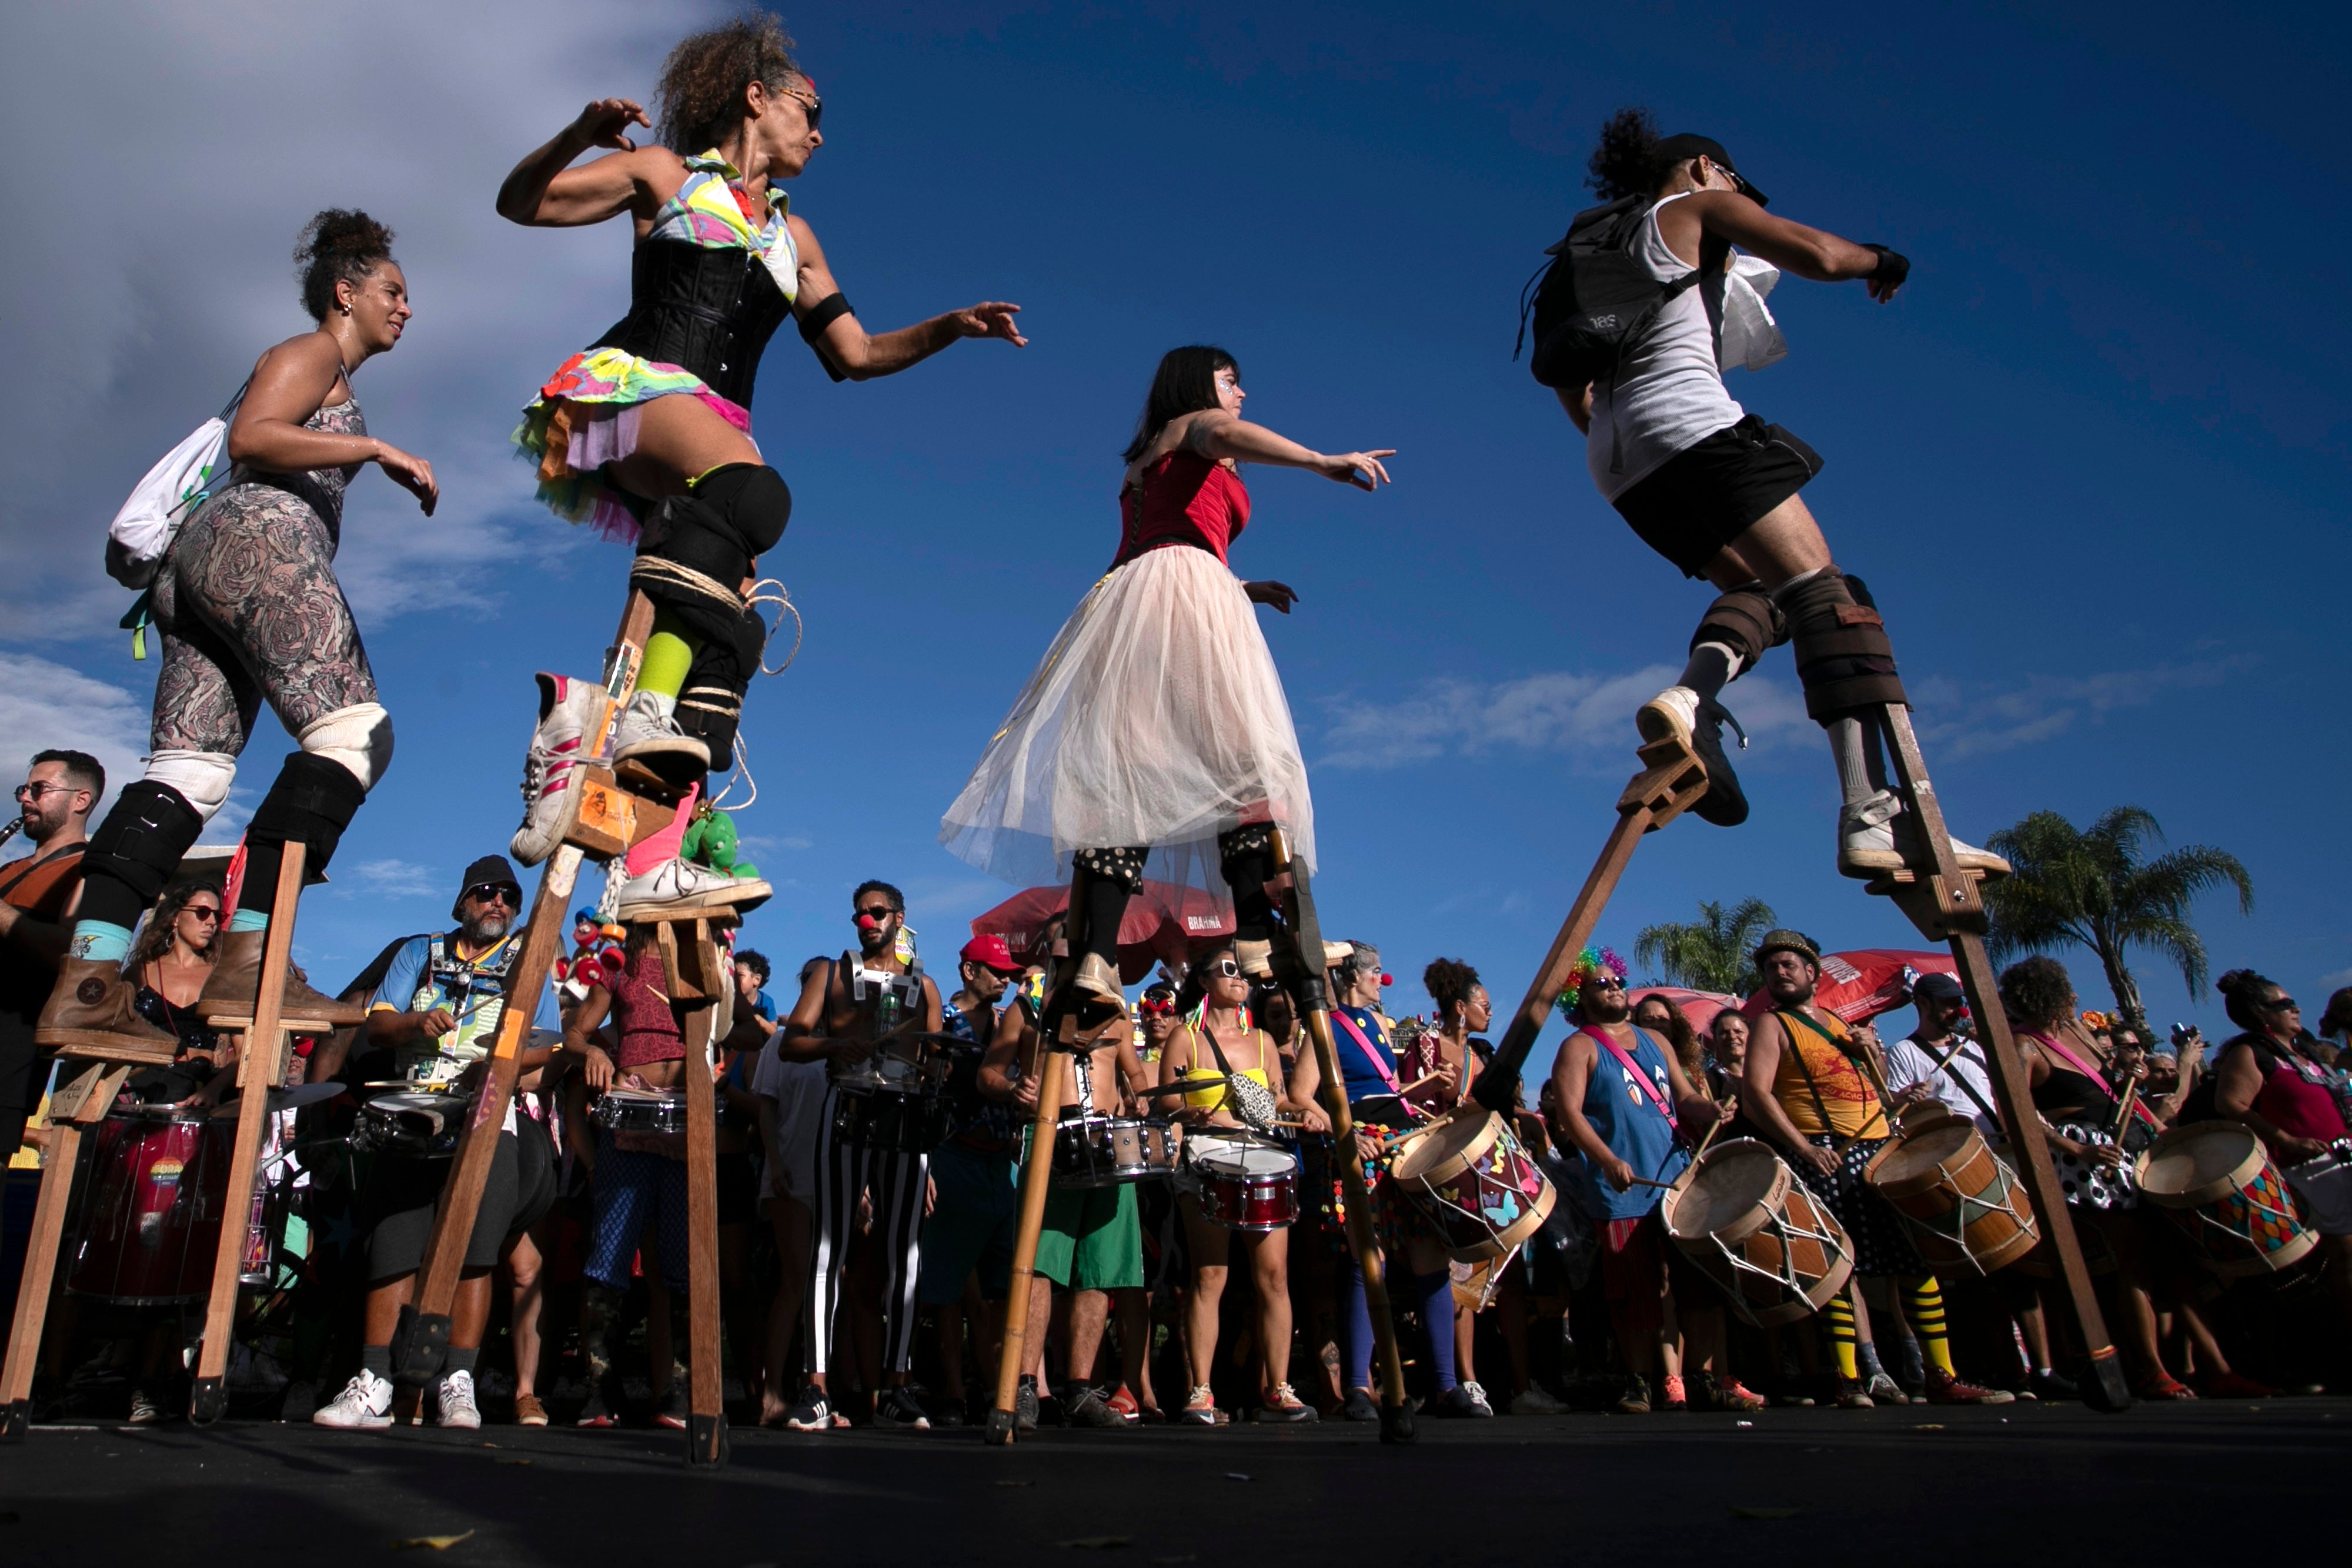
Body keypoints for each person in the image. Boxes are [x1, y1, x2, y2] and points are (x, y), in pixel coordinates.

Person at [500, 14, 1026, 881]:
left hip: (714, 429)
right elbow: (520, 205)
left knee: (733, 635)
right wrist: (574, 137)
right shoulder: (666, 176)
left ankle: (650, 857)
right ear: (755, 97)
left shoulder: (795, 237)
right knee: (757, 492)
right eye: (806, 110)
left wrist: (949, 328)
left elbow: (854, 355)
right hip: (637, 390)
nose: (818, 133)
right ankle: (622, 711)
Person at [1537, 108, 2006, 881]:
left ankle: (1691, 703)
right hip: (1693, 424)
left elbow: (1565, 375)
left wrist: (1614, 424)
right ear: (1700, 170)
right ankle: (1872, 815)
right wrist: (1882, 261)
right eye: (1733, 178)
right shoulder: (1695, 206)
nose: (1736, 191)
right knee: (1830, 594)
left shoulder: (1596, 248)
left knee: (1767, 592)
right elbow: (1819, 253)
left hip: (1620, 463)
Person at [43, 213, 431, 1058]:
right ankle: (250, 957)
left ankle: (90, 982)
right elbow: (255, 434)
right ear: (346, 292)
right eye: (393, 292)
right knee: (354, 732)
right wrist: (379, 449)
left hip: (198, 571)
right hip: (257, 535)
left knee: (188, 772)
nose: (407, 308)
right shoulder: (313, 352)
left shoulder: (323, 361)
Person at [939, 343, 1391, 1031]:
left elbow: (1151, 544)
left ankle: (1096, 955)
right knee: (1243, 762)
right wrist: (1321, 461)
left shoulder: (1144, 459)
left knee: (1133, 773)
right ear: (1198, 383)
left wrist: (1240, 585)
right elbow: (1228, 437)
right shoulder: (1197, 427)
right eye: (1231, 380)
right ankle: (1251, 928)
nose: (1240, 394)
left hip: (1140, 598)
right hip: (1183, 595)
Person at [315, 857, 557, 1430]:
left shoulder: (526, 966)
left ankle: (459, 1382)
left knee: (476, 1251)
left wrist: (493, 1069)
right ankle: (373, 1381)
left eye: (509, 897)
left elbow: (547, 1048)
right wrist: (413, 1027)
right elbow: (376, 1024)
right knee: (393, 1245)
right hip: (411, 1110)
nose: (498, 903)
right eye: (485, 893)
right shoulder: (419, 953)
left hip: (486, 1116)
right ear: (461, 903)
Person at [1740, 930, 2011, 1407]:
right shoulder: (1772, 1026)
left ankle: (1941, 1374)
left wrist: (1874, 1053)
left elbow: (1880, 1093)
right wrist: (1804, 1147)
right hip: (1829, 1152)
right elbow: (1757, 1095)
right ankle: (1849, 1379)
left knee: (1915, 1262)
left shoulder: (1840, 1023)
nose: (1779, 972)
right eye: (1771, 967)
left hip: (1878, 1147)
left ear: (1812, 973)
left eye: (1789, 964)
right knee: (1840, 1269)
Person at [1549, 947, 1755, 1413]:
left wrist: (1713, 1110)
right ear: (1579, 996)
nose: (1614, 987)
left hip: (1675, 1183)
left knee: (1698, 1285)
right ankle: (1639, 1380)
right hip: (1623, 1189)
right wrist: (1605, 1159)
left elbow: (1683, 1096)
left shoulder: (1656, 1042)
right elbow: (1570, 1113)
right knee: (1636, 1292)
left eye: (1617, 980)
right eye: (1601, 984)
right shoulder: (1579, 1047)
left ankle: (1702, 1379)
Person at [1288, 941, 1482, 1418]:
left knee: (1430, 1251)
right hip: (1364, 1147)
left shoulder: (1379, 1025)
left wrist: (1428, 1087)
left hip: (1403, 1142)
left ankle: (1444, 1386)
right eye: (1376, 971)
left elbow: (1389, 1090)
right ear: (1352, 976)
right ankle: (1357, 1387)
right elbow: (1298, 1095)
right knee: (1365, 1256)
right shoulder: (1323, 1028)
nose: (1382, 979)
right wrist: (1346, 1133)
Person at [778, 880, 943, 1432]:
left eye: (876, 913)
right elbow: (791, 1040)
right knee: (829, 1246)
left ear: (900, 916)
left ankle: (899, 1385)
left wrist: (931, 1159)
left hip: (905, 1113)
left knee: (907, 1253)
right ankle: (816, 1386)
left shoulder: (926, 985)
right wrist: (834, 1045)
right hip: (847, 1100)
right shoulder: (831, 973)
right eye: (859, 915)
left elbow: (938, 1065)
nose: (866, 922)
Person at [1157, 941, 1326, 1423]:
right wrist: (1186, 1109)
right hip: (1207, 1152)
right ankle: (1201, 1390)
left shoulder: (1263, 1043)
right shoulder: (1185, 1038)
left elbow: (1278, 1102)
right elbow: (1166, 1099)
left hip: (1263, 1153)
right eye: (1227, 970)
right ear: (1205, 980)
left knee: (1273, 1277)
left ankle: (1278, 1386)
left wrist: (1308, 1113)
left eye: (1242, 972)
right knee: (1210, 1275)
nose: (1239, 978)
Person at [916, 934, 1027, 1425]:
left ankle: (994, 1386)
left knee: (998, 1289)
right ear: (968, 971)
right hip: (953, 1157)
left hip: (999, 1164)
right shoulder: (943, 1024)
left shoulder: (1010, 1025)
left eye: (1007, 972)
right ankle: (954, 1392)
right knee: (947, 1288)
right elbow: (923, 1088)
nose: (1004, 979)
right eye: (995, 970)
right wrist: (924, 1165)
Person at [2212, 969, 2352, 1328]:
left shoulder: (2305, 1051)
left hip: (2342, 1160)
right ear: (2261, 1013)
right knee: (2346, 1253)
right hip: (2309, 1167)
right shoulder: (2251, 1053)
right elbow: (2231, 1105)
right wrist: (2288, 1140)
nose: (2296, 1009)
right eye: (2285, 1004)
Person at [0, 751, 97, 1158]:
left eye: (39, 789)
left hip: (12, 1051)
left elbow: (68, 950)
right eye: (25, 788)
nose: (25, 798)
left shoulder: (88, 870)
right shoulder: (10, 870)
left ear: (81, 800)